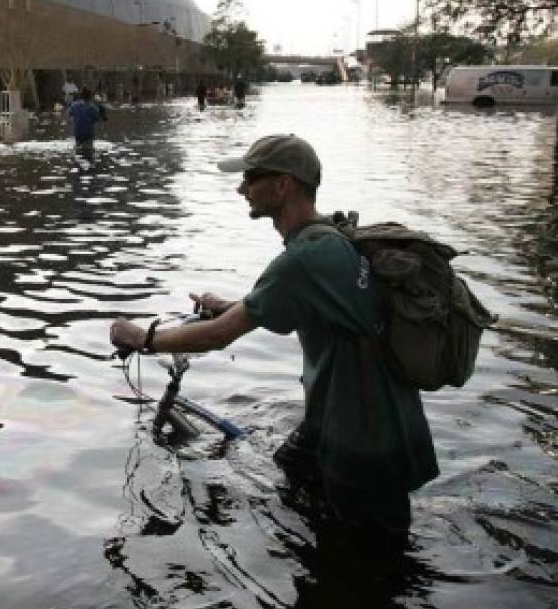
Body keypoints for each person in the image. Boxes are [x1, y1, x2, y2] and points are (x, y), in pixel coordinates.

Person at [109, 134, 438, 541]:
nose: (241, 188)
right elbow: (303, 302)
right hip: (345, 423)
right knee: (293, 475)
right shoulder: (327, 238)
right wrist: (232, 303)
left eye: (251, 179)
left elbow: (219, 336)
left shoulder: (301, 259)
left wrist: (143, 337)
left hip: (363, 441)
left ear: (282, 185)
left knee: (368, 569)